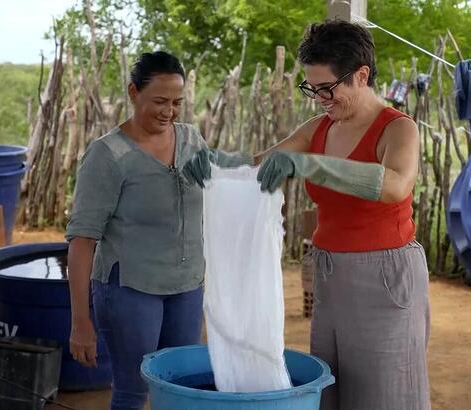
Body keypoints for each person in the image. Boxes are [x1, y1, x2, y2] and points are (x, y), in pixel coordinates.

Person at [184, 20, 430, 410]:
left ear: (361, 75)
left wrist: (311, 166)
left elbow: (396, 184)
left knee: (383, 392)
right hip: (328, 274)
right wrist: (216, 162)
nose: (319, 98)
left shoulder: (398, 129)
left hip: (385, 277)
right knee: (328, 387)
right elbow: (258, 165)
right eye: (311, 89)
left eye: (327, 88)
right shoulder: (318, 128)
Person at [65, 51, 249, 410]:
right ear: (134, 93)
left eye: (177, 102)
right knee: (134, 392)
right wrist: (80, 321)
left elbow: (227, 172)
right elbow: (82, 241)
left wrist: (278, 157)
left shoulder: (191, 140)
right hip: (130, 290)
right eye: (160, 101)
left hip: (186, 286)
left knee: (181, 387)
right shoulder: (108, 155)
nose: (169, 111)